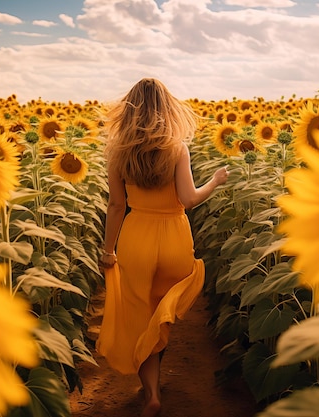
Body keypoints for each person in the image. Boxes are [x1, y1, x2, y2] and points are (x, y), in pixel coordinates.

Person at [96, 78, 229, 417]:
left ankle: (151, 392)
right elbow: (188, 199)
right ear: (167, 108)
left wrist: (108, 251)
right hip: (174, 237)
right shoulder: (177, 148)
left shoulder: (118, 151)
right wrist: (214, 180)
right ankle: (154, 385)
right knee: (161, 316)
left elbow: (115, 206)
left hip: (136, 237)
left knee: (141, 318)